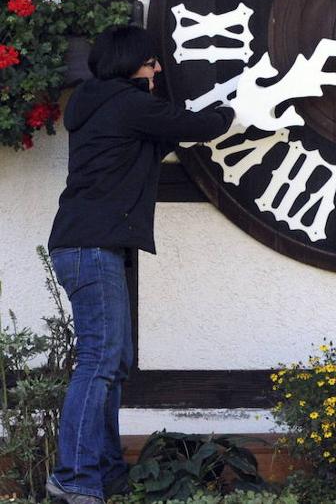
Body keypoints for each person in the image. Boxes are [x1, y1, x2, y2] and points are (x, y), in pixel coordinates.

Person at [45, 25, 234, 504]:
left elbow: (154, 140)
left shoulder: (100, 105)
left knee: (112, 361)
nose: (158, 70)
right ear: (133, 63)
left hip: (86, 245)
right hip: (92, 247)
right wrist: (235, 110)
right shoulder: (129, 104)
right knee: (99, 362)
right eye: (152, 62)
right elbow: (196, 126)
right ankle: (72, 476)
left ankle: (105, 473)